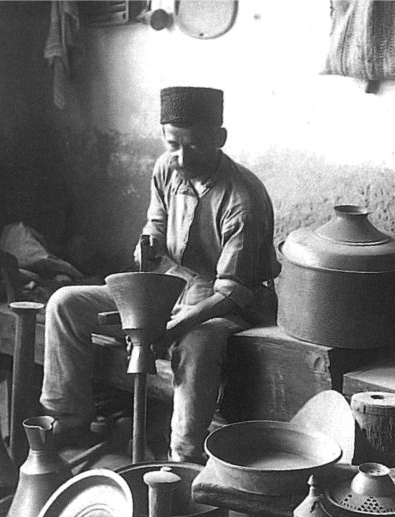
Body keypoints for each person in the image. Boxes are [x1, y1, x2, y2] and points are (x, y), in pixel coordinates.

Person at [40, 86, 281, 463]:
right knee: (65, 304)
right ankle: (68, 420)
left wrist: (170, 329)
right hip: (174, 284)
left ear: (219, 138)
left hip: (232, 304)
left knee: (195, 344)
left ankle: (183, 457)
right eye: (173, 145)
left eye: (195, 146)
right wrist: (148, 243)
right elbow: (156, 222)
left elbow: (232, 292)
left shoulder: (242, 201)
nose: (182, 158)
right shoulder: (167, 168)